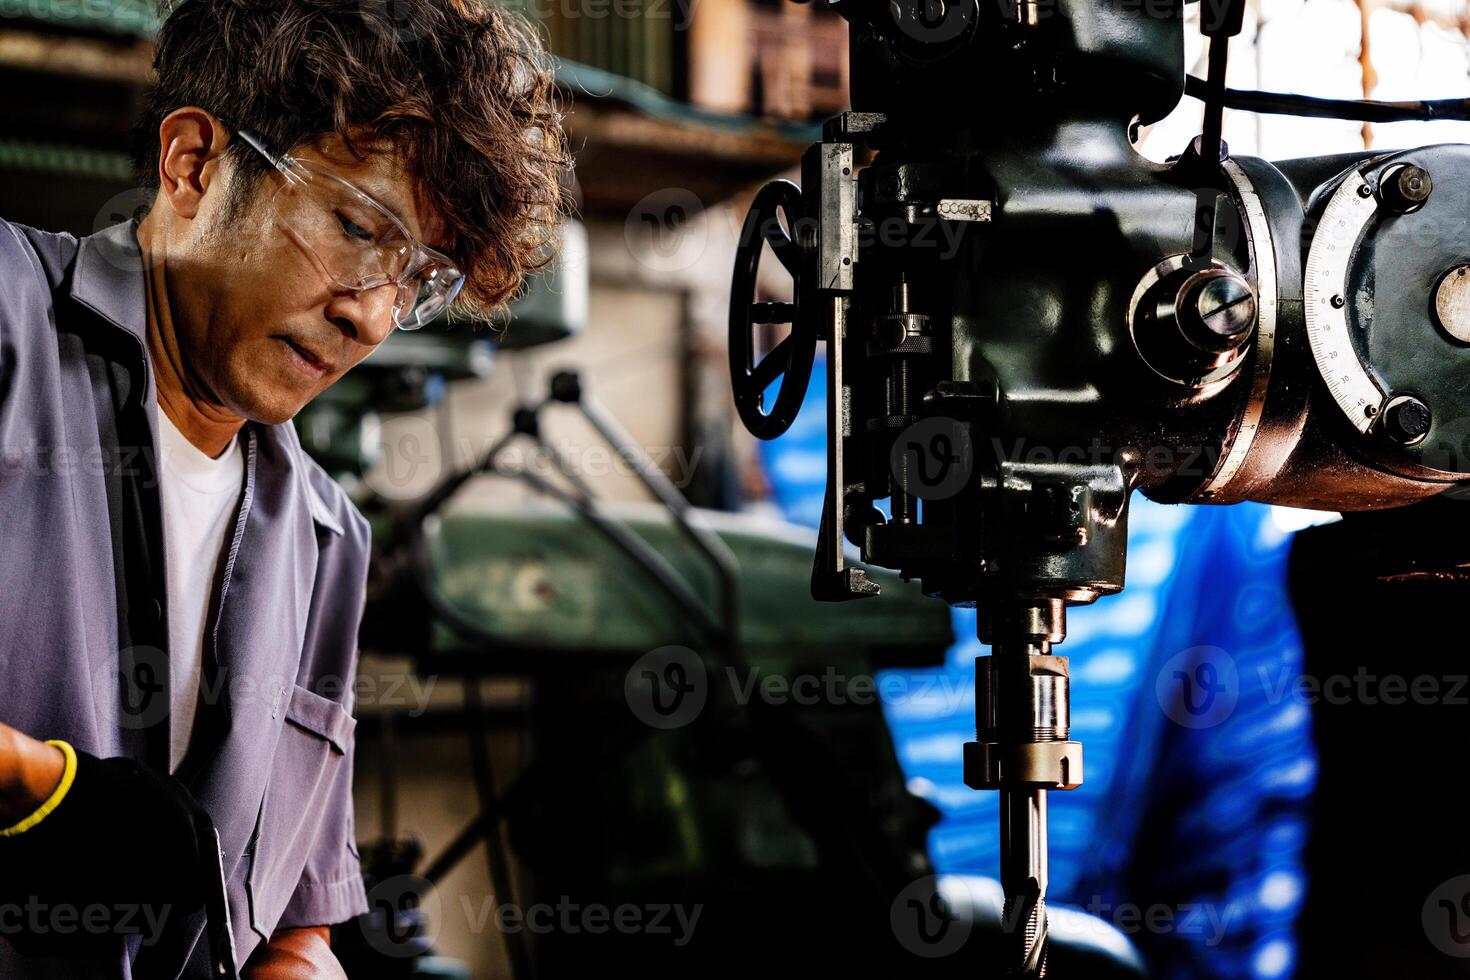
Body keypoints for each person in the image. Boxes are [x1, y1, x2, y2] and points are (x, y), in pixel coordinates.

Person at [0, 1, 567, 975]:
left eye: (415, 277)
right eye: (356, 226)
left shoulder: (325, 540)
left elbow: (298, 916)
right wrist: (36, 784)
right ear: (193, 165)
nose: (372, 316)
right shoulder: (8, 320)